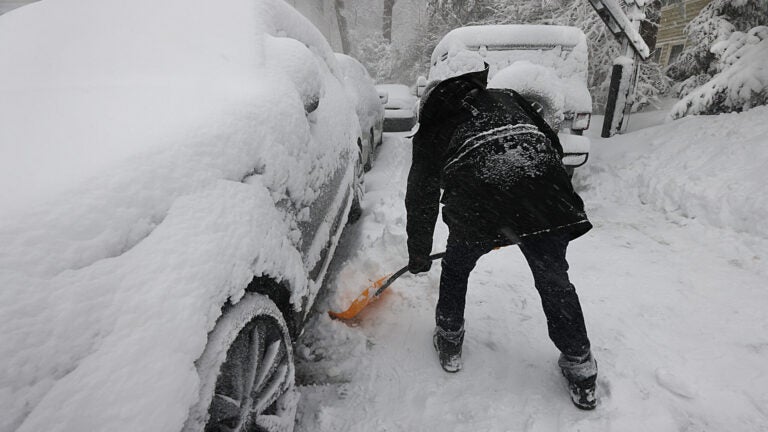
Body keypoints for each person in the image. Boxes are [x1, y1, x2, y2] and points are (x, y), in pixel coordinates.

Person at [405, 61, 598, 410]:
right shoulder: (509, 97)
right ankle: (580, 366)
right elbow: (550, 144)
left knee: (456, 267)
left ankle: (449, 339)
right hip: (545, 196)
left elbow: (421, 197)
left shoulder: (434, 126)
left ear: (436, 95)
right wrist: (526, 209)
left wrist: (419, 253)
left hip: (480, 207)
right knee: (554, 280)